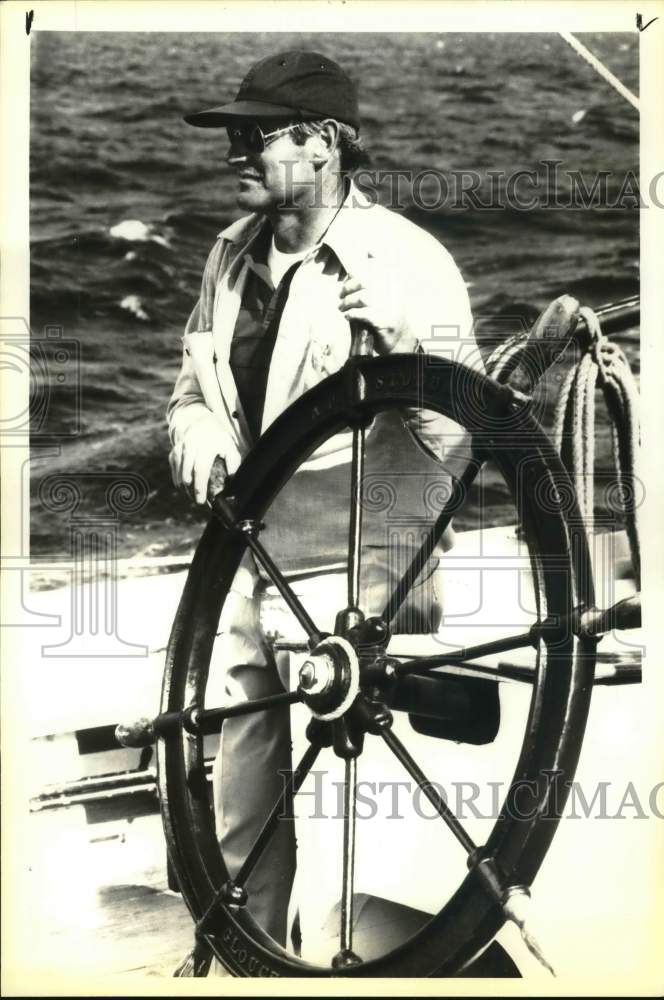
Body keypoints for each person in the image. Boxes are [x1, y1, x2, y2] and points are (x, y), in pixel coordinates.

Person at [167, 50, 482, 958]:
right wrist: (198, 434)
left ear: (325, 144)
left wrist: (405, 345)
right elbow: (190, 389)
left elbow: (463, 433)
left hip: (349, 579)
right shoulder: (228, 257)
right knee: (240, 812)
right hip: (241, 568)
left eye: (253, 134)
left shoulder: (405, 262)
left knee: (347, 828)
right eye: (231, 132)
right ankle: (246, 962)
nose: (234, 149)